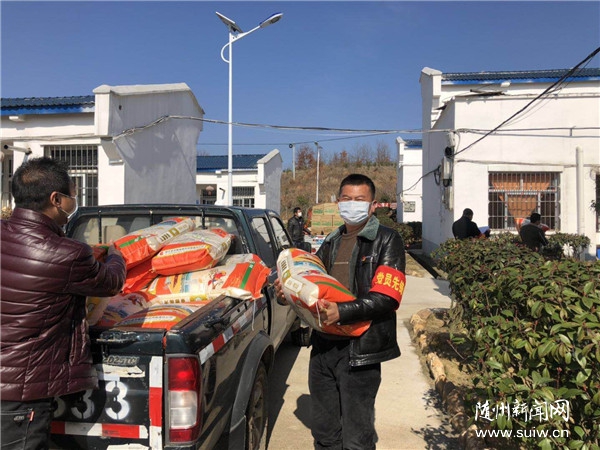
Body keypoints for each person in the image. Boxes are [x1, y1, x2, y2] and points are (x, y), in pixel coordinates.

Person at [1, 157, 127, 449]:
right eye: (73, 194)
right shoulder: (68, 254)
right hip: (20, 393)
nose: (75, 201)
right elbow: (110, 282)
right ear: (56, 199)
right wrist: (116, 256)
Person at [278, 174, 406, 450]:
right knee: (325, 433)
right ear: (338, 203)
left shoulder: (387, 240)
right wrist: (288, 292)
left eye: (360, 199)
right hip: (323, 348)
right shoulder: (331, 241)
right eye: (347, 199)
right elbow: (313, 283)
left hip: (359, 350)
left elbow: (387, 297)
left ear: (373, 205)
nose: (352, 204)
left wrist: (343, 311)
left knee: (357, 438)